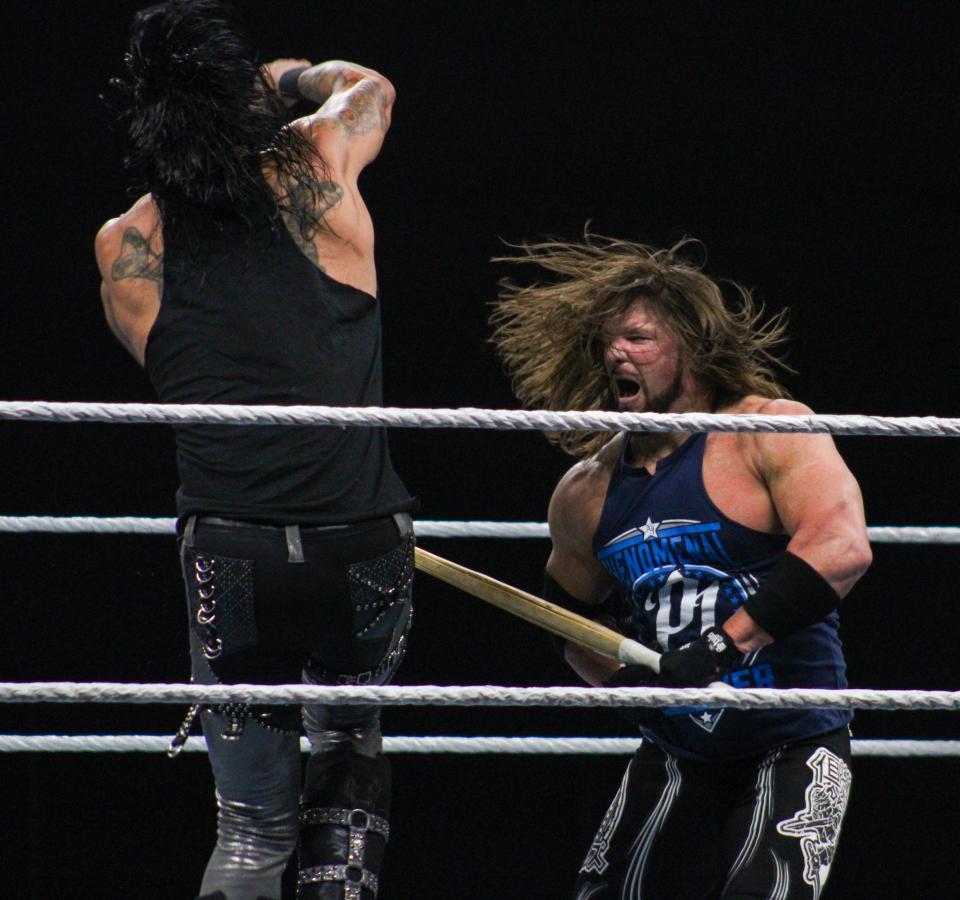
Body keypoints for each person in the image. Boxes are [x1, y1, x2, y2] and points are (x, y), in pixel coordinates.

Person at [94, 3, 416, 898]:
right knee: (349, 739)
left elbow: (167, 364)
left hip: (227, 558)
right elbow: (371, 91)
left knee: (249, 830)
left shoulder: (126, 245)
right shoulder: (312, 168)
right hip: (357, 540)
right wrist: (285, 79)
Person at [490, 234, 872, 899]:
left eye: (638, 338)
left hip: (791, 738)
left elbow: (841, 548)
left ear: (691, 348)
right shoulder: (586, 491)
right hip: (676, 745)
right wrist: (623, 680)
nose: (617, 354)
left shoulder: (768, 431)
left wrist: (724, 647)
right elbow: (571, 623)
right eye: (608, 341)